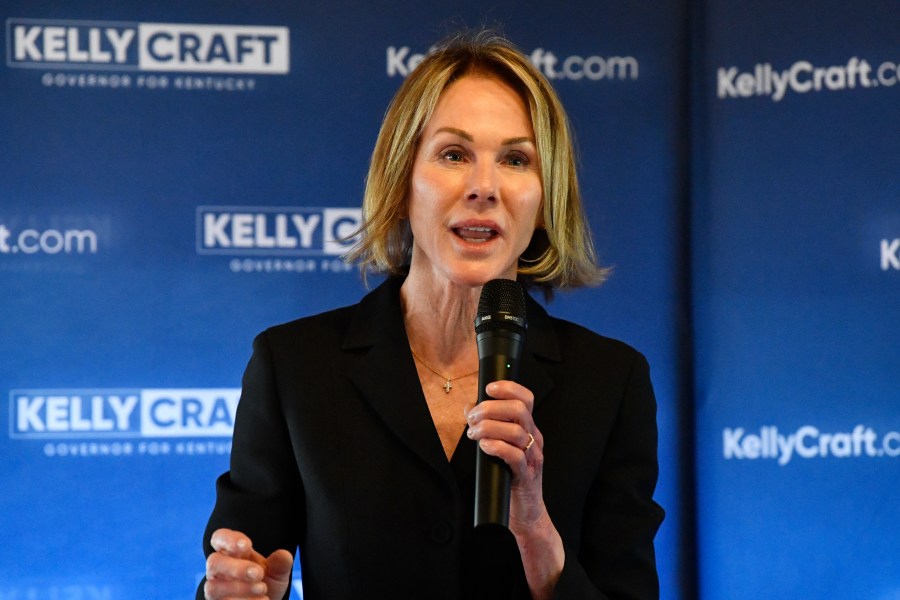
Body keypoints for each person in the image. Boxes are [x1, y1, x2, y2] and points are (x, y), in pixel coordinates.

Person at [199, 31, 664, 600]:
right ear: (401, 181)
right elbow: (239, 570)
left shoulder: (609, 382)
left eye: (516, 159)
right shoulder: (294, 366)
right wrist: (236, 595)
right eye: (453, 154)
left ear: (546, 201)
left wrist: (537, 533)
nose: (484, 187)